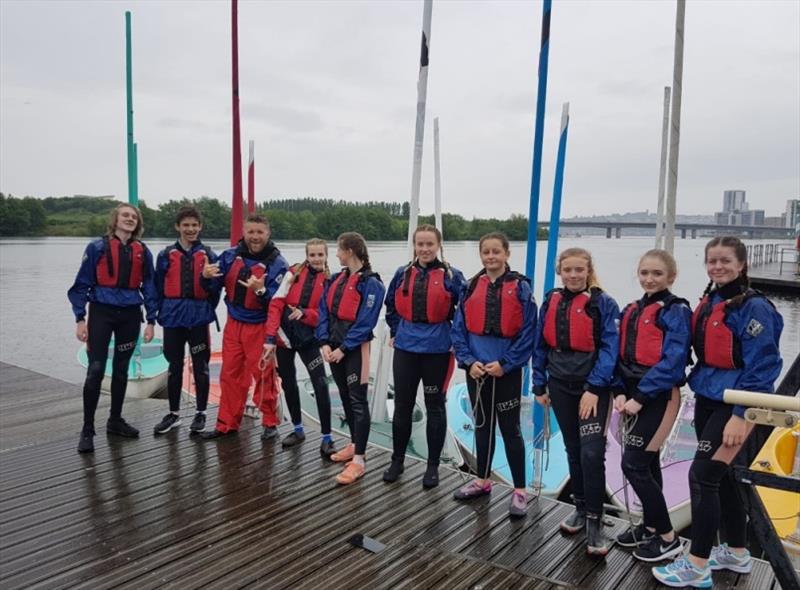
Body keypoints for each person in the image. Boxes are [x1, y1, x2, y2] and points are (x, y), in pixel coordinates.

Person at [653, 236, 783, 588]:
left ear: (741, 264)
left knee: (702, 476)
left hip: (734, 404)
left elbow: (765, 365)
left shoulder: (755, 309)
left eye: (725, 261)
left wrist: (742, 413)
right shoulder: (712, 300)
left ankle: (696, 563)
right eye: (712, 261)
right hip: (708, 397)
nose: (718, 267)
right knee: (722, 478)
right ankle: (738, 551)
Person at [531, 247, 620, 555]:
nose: (572, 275)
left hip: (591, 389)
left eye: (578, 270)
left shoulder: (603, 304)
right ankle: (581, 508)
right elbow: (540, 344)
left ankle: (596, 519)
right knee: (573, 449)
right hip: (560, 384)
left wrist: (595, 388)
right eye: (567, 270)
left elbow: (611, 349)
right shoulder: (551, 300)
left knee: (592, 453)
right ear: (560, 272)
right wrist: (538, 383)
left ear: (588, 270)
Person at [613, 249, 691, 562]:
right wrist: (619, 391)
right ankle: (650, 527)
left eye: (657, 274)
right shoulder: (632, 309)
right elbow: (619, 356)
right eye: (645, 272)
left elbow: (673, 361)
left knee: (632, 463)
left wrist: (640, 398)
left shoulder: (676, 311)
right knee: (648, 463)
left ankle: (669, 538)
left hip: (658, 396)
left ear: (670, 277)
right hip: (630, 392)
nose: (649, 279)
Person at [450, 232, 536, 518]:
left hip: (505, 370)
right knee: (482, 426)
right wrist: (468, 361)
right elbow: (458, 329)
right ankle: (482, 480)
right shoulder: (471, 286)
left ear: (506, 254)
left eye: (496, 251)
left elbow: (528, 333)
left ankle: (520, 490)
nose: (491, 256)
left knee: (510, 430)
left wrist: (507, 363)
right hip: (477, 370)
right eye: (486, 252)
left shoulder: (521, 288)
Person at [68, 203, 158, 454]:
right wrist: (80, 319)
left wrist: (151, 320)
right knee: (96, 369)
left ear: (138, 223)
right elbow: (81, 284)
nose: (129, 219)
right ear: (115, 220)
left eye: (134, 217)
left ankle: (115, 420)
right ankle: (87, 429)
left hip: (130, 314)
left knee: (121, 369)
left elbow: (150, 286)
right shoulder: (96, 248)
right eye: (125, 215)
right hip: (102, 313)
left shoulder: (142, 251)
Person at [383, 224, 466, 488]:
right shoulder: (402, 273)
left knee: (435, 407)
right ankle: (397, 460)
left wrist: (455, 338)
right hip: (406, 349)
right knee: (403, 406)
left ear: (438, 245)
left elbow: (464, 311)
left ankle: (433, 465)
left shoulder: (452, 275)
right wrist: (396, 331)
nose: (425, 249)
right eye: (420, 244)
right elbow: (390, 306)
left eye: (430, 244)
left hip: (437, 351)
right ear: (414, 246)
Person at [198, 214, 288, 441]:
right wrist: (205, 276)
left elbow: (278, 303)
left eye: (260, 232)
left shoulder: (278, 265)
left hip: (259, 326)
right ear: (244, 232)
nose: (255, 237)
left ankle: (270, 422)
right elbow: (213, 286)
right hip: (233, 324)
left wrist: (260, 290)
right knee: (230, 375)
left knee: (264, 375)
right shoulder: (229, 256)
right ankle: (226, 424)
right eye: (251, 232)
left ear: (268, 233)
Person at [316, 232, 385, 485]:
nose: (336, 254)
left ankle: (359, 459)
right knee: (344, 396)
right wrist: (323, 341)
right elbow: (324, 310)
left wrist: (344, 348)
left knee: (358, 401)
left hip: (354, 350)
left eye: (339, 249)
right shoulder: (336, 279)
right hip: (333, 348)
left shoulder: (372, 285)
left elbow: (366, 322)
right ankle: (354, 443)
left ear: (350, 252)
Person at [264, 238, 336, 458]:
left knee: (321, 384)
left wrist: (306, 314)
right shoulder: (293, 272)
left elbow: (328, 315)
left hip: (310, 340)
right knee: (288, 382)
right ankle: (297, 429)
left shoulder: (330, 281)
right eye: (312, 255)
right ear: (307, 255)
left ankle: (327, 437)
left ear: (326, 256)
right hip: (285, 338)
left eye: (320, 255)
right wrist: (269, 337)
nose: (316, 259)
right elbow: (276, 303)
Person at [153, 205, 219, 435]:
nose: (190, 229)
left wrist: (207, 286)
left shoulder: (209, 255)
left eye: (194, 225)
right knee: (173, 366)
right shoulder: (165, 255)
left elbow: (216, 290)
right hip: (172, 317)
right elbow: (156, 287)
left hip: (199, 318)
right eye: (186, 225)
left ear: (200, 227)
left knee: (201, 366)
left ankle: (201, 413)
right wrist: (156, 314)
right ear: (178, 227)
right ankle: (174, 414)